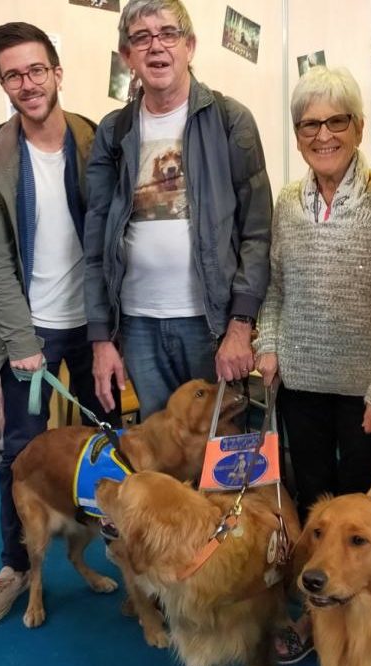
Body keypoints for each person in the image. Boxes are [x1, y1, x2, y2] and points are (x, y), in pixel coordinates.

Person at [253, 65, 371, 664]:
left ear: (358, 126)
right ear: (297, 135)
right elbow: (274, 288)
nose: (323, 135)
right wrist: (268, 345)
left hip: (368, 393)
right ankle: (318, 620)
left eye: (336, 121)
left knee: (365, 520)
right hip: (300, 384)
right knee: (315, 512)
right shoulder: (289, 203)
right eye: (309, 124)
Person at [0, 21, 119, 625]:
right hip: (29, 332)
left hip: (97, 326)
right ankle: (16, 565)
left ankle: (122, 551)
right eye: (13, 75)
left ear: (57, 72)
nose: (27, 84)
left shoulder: (98, 139)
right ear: (3, 84)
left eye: (36, 70)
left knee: (107, 440)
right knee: (21, 454)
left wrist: (112, 327)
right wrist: (23, 343)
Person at [84, 0, 272, 419]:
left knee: (222, 456)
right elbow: (95, 243)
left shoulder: (231, 120)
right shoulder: (114, 132)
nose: (156, 47)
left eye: (168, 34)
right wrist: (101, 338)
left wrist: (241, 325)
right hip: (137, 326)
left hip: (211, 325)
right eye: (141, 38)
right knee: (160, 456)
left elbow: (257, 233)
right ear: (126, 56)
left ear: (190, 45)